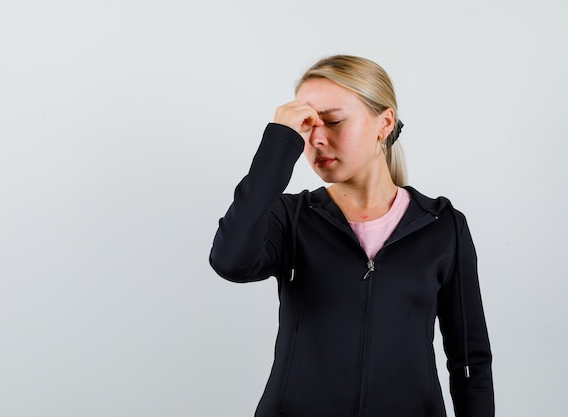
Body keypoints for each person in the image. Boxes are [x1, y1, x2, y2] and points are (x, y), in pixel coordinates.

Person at [209, 55, 494, 417]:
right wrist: (278, 144)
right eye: (305, 128)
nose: (317, 140)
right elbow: (230, 261)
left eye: (332, 121)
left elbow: (470, 361)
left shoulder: (443, 226)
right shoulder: (290, 218)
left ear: (384, 123)